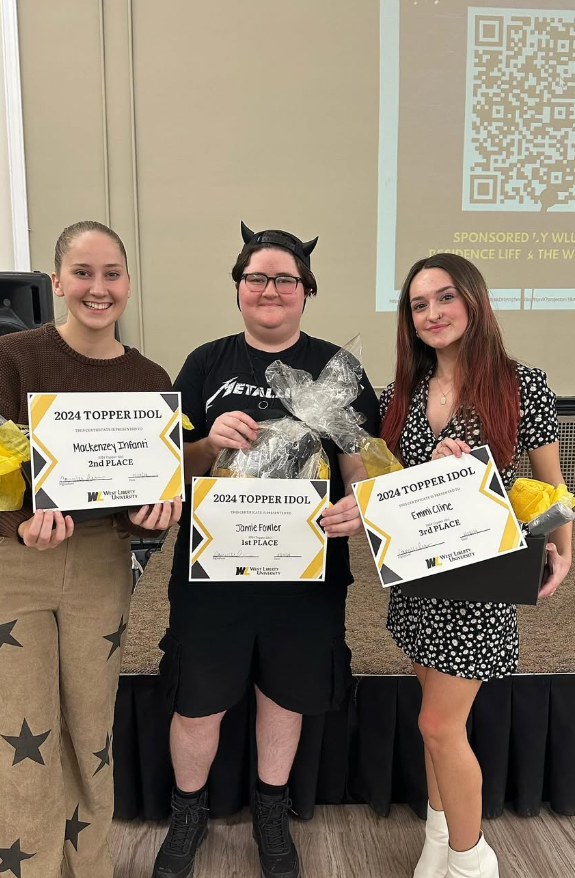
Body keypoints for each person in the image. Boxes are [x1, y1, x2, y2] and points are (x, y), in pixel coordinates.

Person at [152, 222, 380, 878]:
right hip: (212, 565)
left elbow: (355, 459)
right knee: (198, 698)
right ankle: (187, 813)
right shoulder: (205, 363)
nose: (270, 289)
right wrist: (206, 441)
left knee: (284, 693)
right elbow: (174, 467)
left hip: (305, 569)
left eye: (285, 278)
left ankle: (271, 812)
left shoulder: (338, 368)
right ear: (238, 289)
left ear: (306, 291)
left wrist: (359, 502)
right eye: (257, 278)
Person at [0, 220, 181, 878]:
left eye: (111, 273)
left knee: (91, 738)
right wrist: (19, 521)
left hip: (97, 568)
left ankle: (89, 869)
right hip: (11, 568)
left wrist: (155, 517)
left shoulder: (149, 379)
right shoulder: (12, 356)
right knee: (15, 738)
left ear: (128, 284)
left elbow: (145, 511)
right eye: (82, 273)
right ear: (56, 281)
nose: (98, 287)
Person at [379, 253, 572, 878]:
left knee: (439, 725)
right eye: (417, 304)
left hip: (482, 585)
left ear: (473, 301)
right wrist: (425, 471)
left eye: (443, 298)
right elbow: (391, 487)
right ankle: (439, 836)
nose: (431, 313)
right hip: (418, 580)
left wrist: (563, 551)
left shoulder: (522, 384)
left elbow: (552, 485)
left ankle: (471, 860)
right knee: (432, 719)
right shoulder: (399, 393)